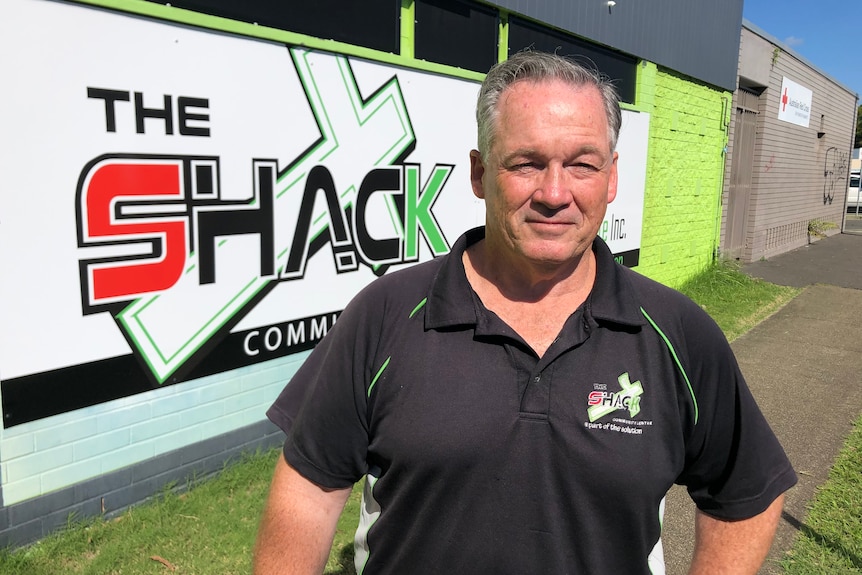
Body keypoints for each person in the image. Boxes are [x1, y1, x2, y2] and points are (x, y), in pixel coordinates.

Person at [254, 50, 797, 575]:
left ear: (611, 179)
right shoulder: (385, 315)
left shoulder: (676, 332)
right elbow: (309, 488)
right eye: (527, 163)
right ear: (479, 173)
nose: (554, 193)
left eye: (582, 164)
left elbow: (744, 492)